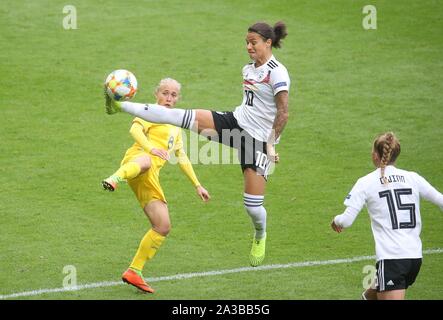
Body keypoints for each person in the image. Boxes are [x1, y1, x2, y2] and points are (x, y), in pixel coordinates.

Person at [104, 21, 290, 267]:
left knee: (253, 206)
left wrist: (271, 145)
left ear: (268, 43)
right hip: (235, 121)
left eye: (253, 42)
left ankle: (259, 234)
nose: (248, 47)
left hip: (257, 141)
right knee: (179, 116)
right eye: (246, 42)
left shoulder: (277, 72)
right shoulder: (248, 69)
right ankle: (118, 105)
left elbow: (283, 112)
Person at [102, 78, 211, 293]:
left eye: (173, 95)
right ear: (156, 94)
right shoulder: (150, 112)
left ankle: (135, 270)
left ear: (177, 98)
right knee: (147, 160)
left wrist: (197, 185)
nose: (168, 98)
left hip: (150, 177)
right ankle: (115, 178)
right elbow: (135, 131)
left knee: (163, 226)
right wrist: (150, 148)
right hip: (137, 160)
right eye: (165, 93)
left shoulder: (176, 125)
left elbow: (182, 156)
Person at [331, 132, 443, 300]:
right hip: (415, 258)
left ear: (376, 155)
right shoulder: (413, 178)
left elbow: (346, 221)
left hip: (392, 259)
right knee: (371, 294)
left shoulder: (366, 182)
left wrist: (335, 220)